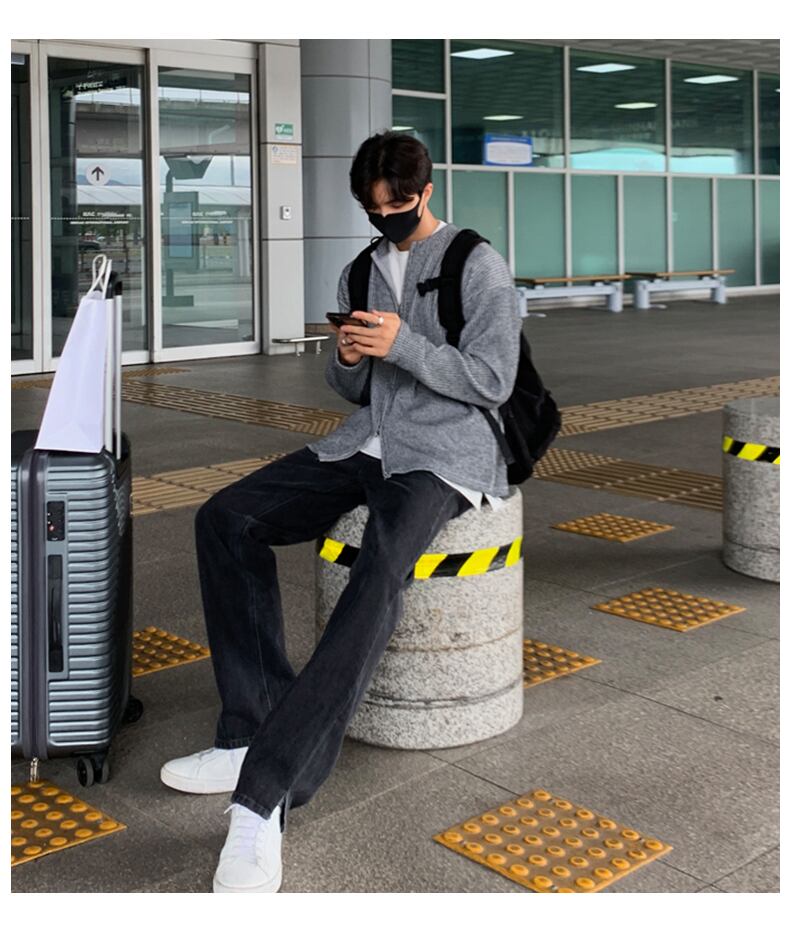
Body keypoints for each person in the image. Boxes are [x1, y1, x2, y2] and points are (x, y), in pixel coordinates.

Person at [159, 130, 522, 893]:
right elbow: (354, 387)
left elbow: (493, 379)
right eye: (373, 209)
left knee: (378, 574)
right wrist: (351, 359)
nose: (386, 219)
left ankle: (263, 798)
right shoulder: (362, 268)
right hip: (366, 442)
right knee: (225, 518)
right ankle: (249, 725)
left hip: (445, 455)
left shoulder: (474, 263)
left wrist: (405, 344)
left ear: (425, 192)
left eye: (397, 205)